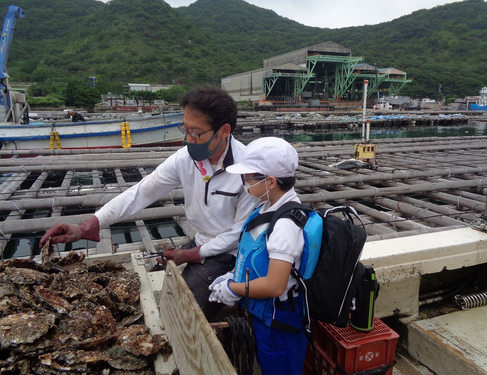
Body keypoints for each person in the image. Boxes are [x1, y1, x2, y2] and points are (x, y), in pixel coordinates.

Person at [41, 86, 258, 321]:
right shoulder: (185, 159)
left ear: (224, 130)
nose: (188, 140)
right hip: (203, 239)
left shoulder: (249, 170)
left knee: (179, 314)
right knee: (149, 285)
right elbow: (141, 192)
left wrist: (191, 254)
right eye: (185, 130)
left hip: (231, 253)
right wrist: (87, 226)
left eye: (196, 133)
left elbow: (239, 233)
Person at [208, 137, 314, 375]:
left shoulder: (286, 225)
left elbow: (275, 285)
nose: (243, 182)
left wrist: (234, 288)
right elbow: (255, 253)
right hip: (263, 317)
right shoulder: (266, 208)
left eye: (248, 177)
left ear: (271, 181)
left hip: (280, 323)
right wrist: (231, 276)